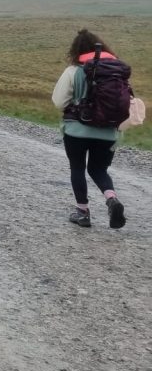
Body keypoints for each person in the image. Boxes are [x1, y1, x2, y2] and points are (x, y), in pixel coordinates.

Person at [52, 29, 127, 229]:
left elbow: (59, 101)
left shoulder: (73, 70)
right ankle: (111, 198)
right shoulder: (115, 72)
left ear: (75, 50)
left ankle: (83, 213)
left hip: (76, 130)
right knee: (99, 169)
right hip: (109, 131)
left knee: (78, 168)